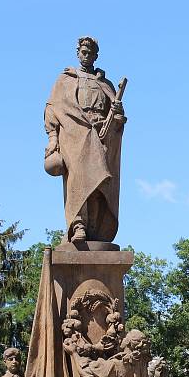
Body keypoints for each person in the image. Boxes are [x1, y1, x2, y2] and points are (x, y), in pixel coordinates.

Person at [44, 36, 126, 244]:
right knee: (78, 179)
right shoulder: (66, 80)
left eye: (90, 53)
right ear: (78, 53)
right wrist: (53, 139)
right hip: (75, 134)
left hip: (101, 135)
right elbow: (52, 109)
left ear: (96, 56)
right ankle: (78, 225)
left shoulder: (105, 84)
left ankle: (95, 229)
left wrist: (117, 113)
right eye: (83, 52)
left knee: (99, 182)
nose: (86, 55)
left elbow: (116, 117)